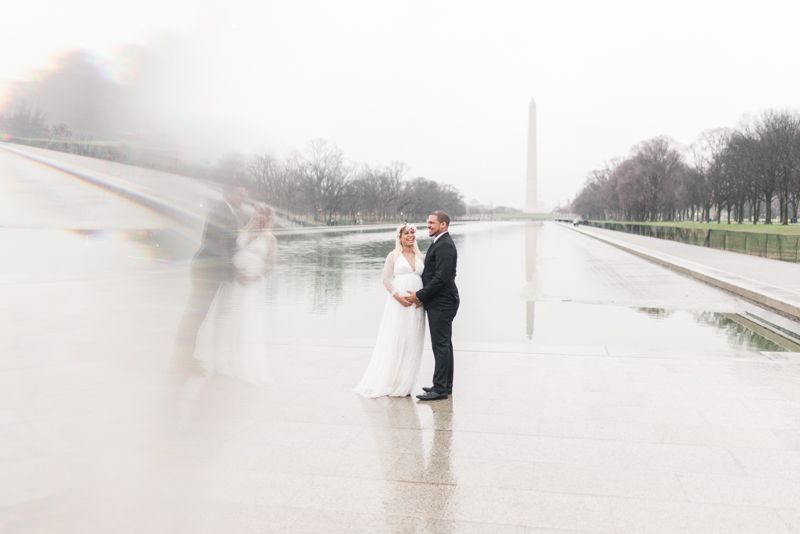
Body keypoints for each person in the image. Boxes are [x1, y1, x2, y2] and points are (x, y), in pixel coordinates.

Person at [195, 203, 278, 384]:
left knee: (246, 324)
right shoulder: (242, 233)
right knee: (227, 322)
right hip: (233, 284)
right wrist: (234, 271)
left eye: (263, 215)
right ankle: (222, 363)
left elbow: (271, 264)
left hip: (252, 286)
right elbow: (230, 253)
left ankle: (243, 365)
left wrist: (254, 276)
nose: (259, 218)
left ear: (268, 219)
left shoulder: (269, 238)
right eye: (257, 214)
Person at [171, 181, 247, 375]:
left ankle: (185, 357)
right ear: (229, 193)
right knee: (195, 315)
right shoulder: (221, 211)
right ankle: (182, 359)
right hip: (206, 272)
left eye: (244, 195)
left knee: (196, 316)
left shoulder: (227, 211)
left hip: (209, 271)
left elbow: (229, 245)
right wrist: (233, 272)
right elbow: (219, 245)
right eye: (240, 195)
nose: (243, 199)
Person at [354, 223, 426, 398]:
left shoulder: (420, 256)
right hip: (398, 303)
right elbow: (386, 279)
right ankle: (391, 381)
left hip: (417, 304)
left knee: (412, 340)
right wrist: (397, 297)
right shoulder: (393, 256)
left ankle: (406, 382)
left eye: (412, 233)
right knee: (398, 338)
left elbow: (427, 279)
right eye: (406, 233)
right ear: (399, 237)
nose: (410, 236)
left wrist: (422, 297)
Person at [408, 211, 459, 401]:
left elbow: (441, 278)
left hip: (443, 302)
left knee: (441, 346)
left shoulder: (445, 245)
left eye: (432, 223)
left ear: (443, 225)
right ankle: (445, 386)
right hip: (440, 300)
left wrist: (419, 295)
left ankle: (440, 389)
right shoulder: (440, 241)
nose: (428, 225)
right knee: (445, 345)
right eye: (428, 222)